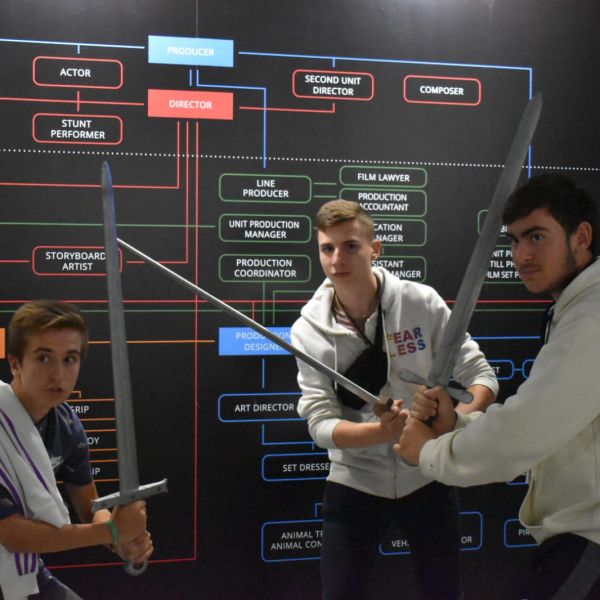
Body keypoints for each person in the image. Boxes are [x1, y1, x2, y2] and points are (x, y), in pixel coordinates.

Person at [396, 173, 600, 599]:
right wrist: (456, 426)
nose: (521, 254)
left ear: (581, 237)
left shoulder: (590, 320)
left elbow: (521, 434)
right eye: (514, 240)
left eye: (537, 237)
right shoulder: (577, 310)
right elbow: (552, 429)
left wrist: (428, 452)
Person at [290, 200, 498, 600]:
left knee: (443, 593)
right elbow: (320, 424)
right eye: (327, 248)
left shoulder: (421, 302)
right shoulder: (307, 331)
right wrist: (381, 432)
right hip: (354, 481)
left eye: (350, 246)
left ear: (375, 249)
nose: (337, 259)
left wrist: (452, 425)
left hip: (428, 474)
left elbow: (481, 377)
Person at [0, 300, 152, 599]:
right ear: (15, 363)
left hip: (20, 571)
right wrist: (112, 531)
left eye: (69, 359)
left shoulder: (67, 426)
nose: (58, 374)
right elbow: (12, 533)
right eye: (44, 358)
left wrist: (121, 541)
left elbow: (89, 507)